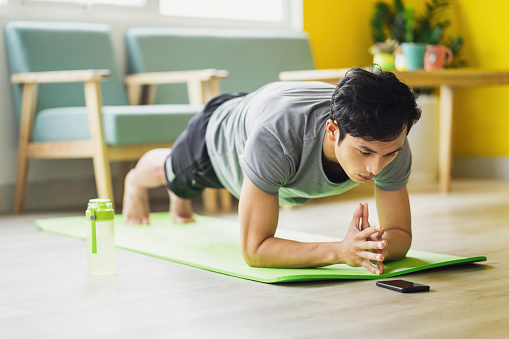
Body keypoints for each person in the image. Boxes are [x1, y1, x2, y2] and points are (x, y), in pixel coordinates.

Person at [123, 66, 421, 275]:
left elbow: (401, 235)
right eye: (364, 152)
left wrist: (370, 246)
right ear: (333, 131)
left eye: (389, 154)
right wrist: (340, 251)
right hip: (219, 136)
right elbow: (255, 250)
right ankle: (135, 180)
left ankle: (181, 199)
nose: (376, 167)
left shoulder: (390, 140)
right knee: (173, 173)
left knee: (183, 191)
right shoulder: (277, 137)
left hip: (263, 111)